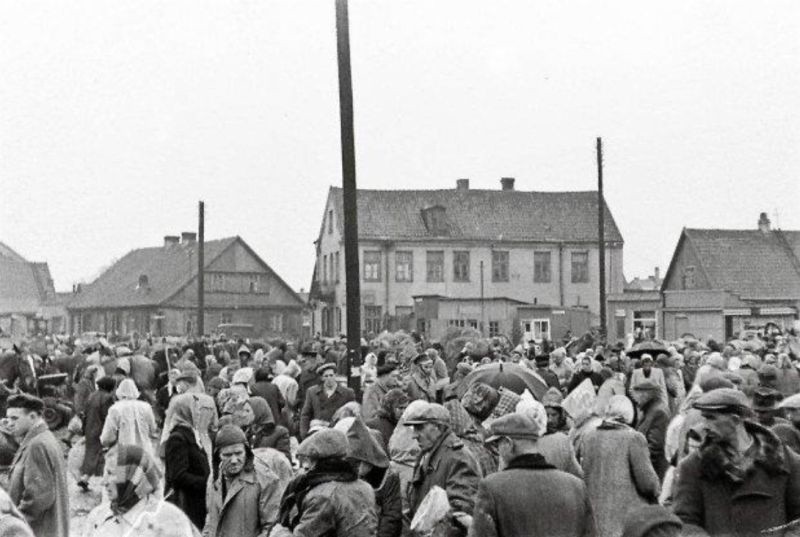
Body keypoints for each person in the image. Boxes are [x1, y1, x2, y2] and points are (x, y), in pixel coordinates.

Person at [673, 388, 800, 535]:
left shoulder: (785, 461)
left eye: (711, 418)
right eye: (704, 418)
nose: (705, 426)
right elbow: (685, 521)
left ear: (735, 419)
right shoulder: (694, 465)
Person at [469, 412, 596, 537]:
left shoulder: (492, 487)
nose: (498, 451)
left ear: (508, 443)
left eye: (498, 445)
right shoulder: (576, 486)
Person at [579, 395, 660, 537]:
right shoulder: (634, 438)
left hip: (594, 520)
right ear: (629, 414)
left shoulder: (589, 437)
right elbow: (647, 484)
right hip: (626, 521)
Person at [272, 428, 377, 537]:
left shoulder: (323, 496)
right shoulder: (365, 487)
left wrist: (279, 532)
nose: (306, 469)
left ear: (316, 461)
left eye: (309, 461)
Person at [84, 444, 198, 537]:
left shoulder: (170, 521)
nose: (103, 482)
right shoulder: (98, 516)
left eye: (110, 473)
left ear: (132, 477)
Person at [405, 402, 480, 537]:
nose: (414, 435)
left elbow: (461, 513)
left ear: (438, 427)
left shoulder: (458, 457)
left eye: (419, 427)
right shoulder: (427, 453)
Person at [6, 393, 70, 537]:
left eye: (14, 418)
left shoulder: (37, 444)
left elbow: (38, 498)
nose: (9, 423)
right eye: (8, 418)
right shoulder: (42, 438)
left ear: (33, 417)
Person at [204, 424, 284, 537]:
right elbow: (210, 518)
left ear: (246, 451)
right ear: (218, 456)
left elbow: (272, 528)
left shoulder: (265, 479)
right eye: (227, 455)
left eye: (238, 453)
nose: (234, 460)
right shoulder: (214, 478)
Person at [346, 418, 403, 537]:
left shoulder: (389, 475)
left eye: (358, 463)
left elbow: (391, 515)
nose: (356, 468)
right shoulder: (347, 473)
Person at [164, 394, 211, 530]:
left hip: (195, 502)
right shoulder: (178, 438)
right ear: (186, 412)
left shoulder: (191, 434)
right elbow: (178, 476)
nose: (199, 413)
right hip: (187, 504)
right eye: (195, 409)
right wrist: (205, 483)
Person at [101, 378, 159, 459]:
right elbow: (153, 429)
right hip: (145, 452)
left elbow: (107, 436)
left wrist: (106, 443)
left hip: (124, 453)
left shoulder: (115, 409)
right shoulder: (146, 407)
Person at [78, 376, 117, 491]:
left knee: (91, 454)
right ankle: (102, 480)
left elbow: (85, 413)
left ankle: (85, 478)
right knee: (106, 454)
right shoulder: (107, 398)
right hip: (101, 429)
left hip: (90, 429)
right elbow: (108, 416)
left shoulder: (92, 395)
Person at [299, 362, 355, 438]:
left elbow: (352, 416)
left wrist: (326, 424)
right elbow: (305, 415)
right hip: (318, 432)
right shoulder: (312, 392)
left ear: (335, 375)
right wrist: (304, 435)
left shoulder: (347, 393)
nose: (329, 378)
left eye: (331, 375)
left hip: (339, 433)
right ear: (322, 378)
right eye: (326, 376)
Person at [631, 380, 670, 480]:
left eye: (637, 394)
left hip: (654, 470)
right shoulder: (650, 409)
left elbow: (655, 446)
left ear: (646, 394)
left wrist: (637, 463)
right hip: (650, 468)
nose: (635, 398)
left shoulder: (658, 412)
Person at [245, 396, 291, 461]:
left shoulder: (279, 432)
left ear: (258, 411)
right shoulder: (248, 432)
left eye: (248, 411)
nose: (245, 414)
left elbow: (284, 460)